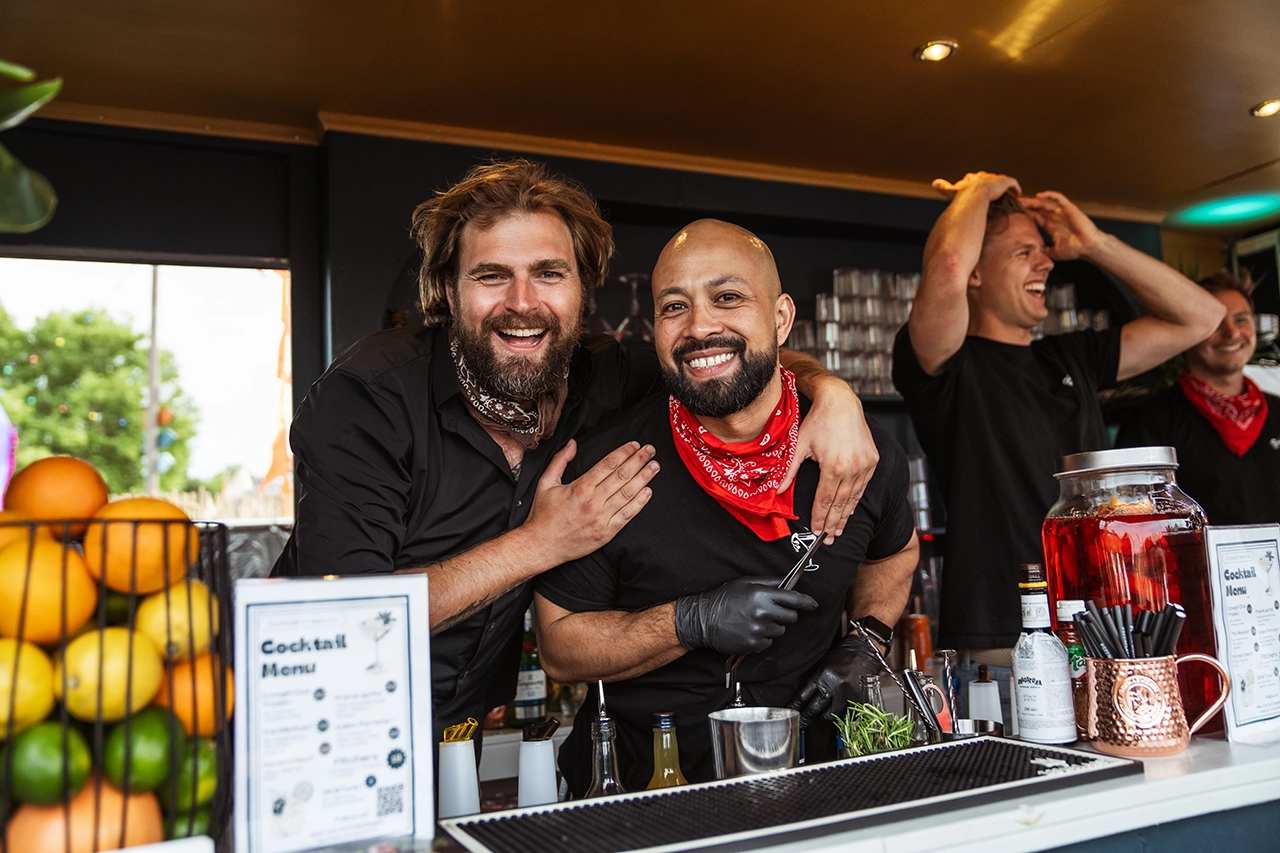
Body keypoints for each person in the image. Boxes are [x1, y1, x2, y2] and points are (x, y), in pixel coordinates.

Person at [272, 161, 881, 744]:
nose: (522, 302)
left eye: (549, 274)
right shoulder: (370, 397)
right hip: (322, 717)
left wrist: (834, 395)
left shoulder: (604, 375)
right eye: (491, 276)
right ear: (449, 294)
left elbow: (720, 356)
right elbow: (343, 614)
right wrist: (542, 541)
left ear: (582, 291)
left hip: (460, 725)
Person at [535, 220, 917, 793]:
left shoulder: (856, 454)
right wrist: (691, 621)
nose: (700, 328)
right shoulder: (609, 466)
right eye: (674, 307)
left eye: (728, 297)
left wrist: (867, 638)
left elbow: (896, 553)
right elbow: (560, 648)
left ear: (781, 318)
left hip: (814, 783)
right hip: (640, 793)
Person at [891, 172, 1225, 706]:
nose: (1045, 262)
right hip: (1008, 644)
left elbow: (1202, 317)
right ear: (976, 274)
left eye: (1043, 251)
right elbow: (948, 265)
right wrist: (978, 189)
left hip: (1108, 633)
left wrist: (1095, 244)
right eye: (1024, 252)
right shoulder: (947, 367)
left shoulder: (1071, 357)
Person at [1117, 272, 1280, 524]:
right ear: (1189, 332)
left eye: (1241, 320)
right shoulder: (1152, 419)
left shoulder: (1276, 409)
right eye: (1215, 323)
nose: (1232, 333)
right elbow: (1135, 514)